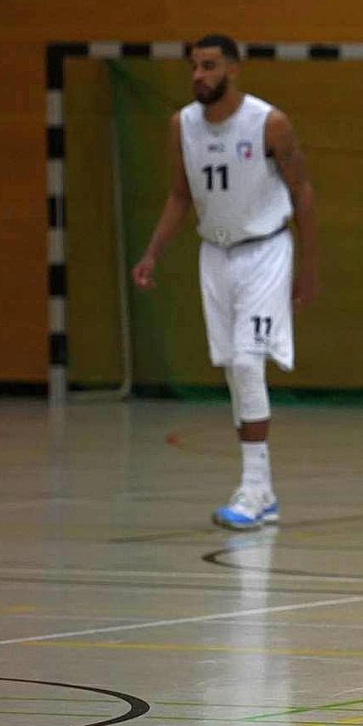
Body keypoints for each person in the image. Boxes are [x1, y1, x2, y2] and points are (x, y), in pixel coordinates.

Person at [131, 34, 319, 529]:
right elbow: (180, 194)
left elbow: (302, 190)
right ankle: (264, 493)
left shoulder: (268, 123)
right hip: (215, 254)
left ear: (233, 69)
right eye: (194, 66)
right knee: (235, 368)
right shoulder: (182, 125)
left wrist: (308, 267)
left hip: (265, 250)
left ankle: (253, 490)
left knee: (248, 361)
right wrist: (152, 252)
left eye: (210, 65)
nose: (199, 75)